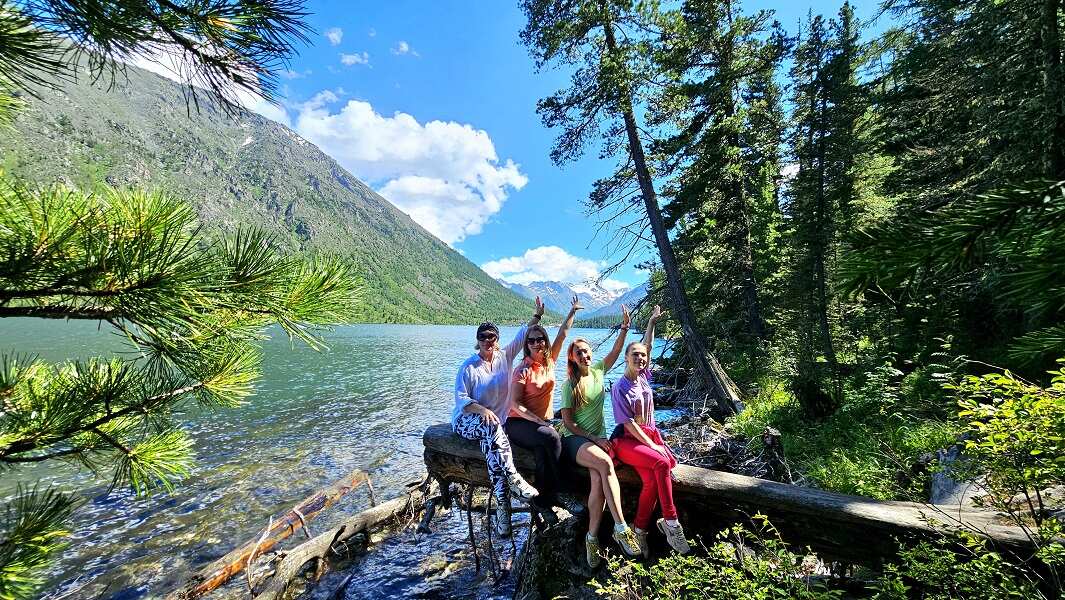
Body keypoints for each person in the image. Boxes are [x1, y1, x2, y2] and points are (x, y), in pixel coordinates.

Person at [452, 296, 546, 537]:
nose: (487, 341)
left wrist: (537, 316)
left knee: (494, 461)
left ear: (497, 339)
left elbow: (523, 335)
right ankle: (515, 477)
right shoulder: (469, 367)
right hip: (466, 421)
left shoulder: (505, 356)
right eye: (482, 337)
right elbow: (462, 400)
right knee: (492, 427)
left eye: (491, 336)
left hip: (492, 426)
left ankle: (503, 517)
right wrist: (482, 410)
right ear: (477, 341)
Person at [560, 304, 642, 567]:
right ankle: (621, 529)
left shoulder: (597, 371)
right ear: (572, 357)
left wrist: (625, 327)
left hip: (596, 441)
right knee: (606, 464)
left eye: (586, 351)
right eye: (579, 352)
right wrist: (595, 439)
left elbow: (618, 351)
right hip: (574, 440)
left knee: (598, 481)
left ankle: (592, 539)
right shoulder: (569, 385)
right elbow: (568, 424)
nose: (584, 355)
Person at [610, 305, 690, 556]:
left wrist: (652, 322)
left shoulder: (644, 377)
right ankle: (671, 522)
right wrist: (654, 446)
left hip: (646, 438)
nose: (640, 358)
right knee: (662, 465)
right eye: (635, 355)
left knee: (651, 484)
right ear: (626, 357)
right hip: (627, 441)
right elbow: (629, 425)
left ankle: (639, 530)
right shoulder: (619, 388)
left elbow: (648, 345)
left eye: (642, 356)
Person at [503, 295, 581, 524]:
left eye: (541, 339)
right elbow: (514, 403)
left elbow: (563, 334)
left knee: (541, 454)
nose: (537, 343)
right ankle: (565, 491)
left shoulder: (549, 362)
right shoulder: (522, 370)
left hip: (540, 421)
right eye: (532, 340)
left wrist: (572, 311)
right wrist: (536, 420)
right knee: (552, 438)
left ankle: (542, 501)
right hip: (518, 423)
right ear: (526, 345)